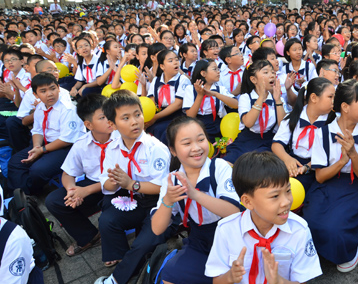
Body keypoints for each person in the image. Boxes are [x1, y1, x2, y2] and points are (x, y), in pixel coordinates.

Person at [95, 90, 179, 284]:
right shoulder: (113, 147)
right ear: (112, 124)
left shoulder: (155, 147)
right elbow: (106, 183)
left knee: (144, 242)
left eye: (137, 114)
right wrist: (113, 181)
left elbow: (162, 187)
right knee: (107, 220)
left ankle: (117, 278)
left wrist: (130, 183)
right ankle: (129, 261)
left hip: (161, 204)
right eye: (125, 118)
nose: (134, 121)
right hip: (133, 200)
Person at [205, 151, 323, 283]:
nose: (286, 202)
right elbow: (217, 280)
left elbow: (302, 280)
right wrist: (230, 276)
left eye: (288, 191)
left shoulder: (299, 230)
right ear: (248, 202)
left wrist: (279, 281)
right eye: (275, 196)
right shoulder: (226, 230)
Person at [151, 116, 242, 284]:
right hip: (200, 243)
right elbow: (157, 229)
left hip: (233, 240)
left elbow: (234, 211)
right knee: (170, 276)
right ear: (173, 150)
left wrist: (196, 195)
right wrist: (168, 201)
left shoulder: (220, 167)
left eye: (201, 139)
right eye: (187, 143)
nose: (196, 148)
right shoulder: (172, 180)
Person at [304, 79, 358, 272]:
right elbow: (320, 177)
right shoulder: (323, 133)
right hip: (326, 185)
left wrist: (353, 154)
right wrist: (341, 162)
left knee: (335, 229)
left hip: (352, 185)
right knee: (312, 223)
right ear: (345, 107)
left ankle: (352, 245)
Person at [45, 94, 115, 258]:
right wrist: (72, 190)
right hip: (95, 185)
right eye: (103, 117)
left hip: (120, 185)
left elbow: (121, 178)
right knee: (54, 201)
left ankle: (116, 245)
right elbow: (68, 173)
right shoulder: (81, 144)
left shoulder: (122, 138)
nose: (110, 119)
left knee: (111, 214)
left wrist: (86, 191)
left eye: (111, 113)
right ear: (88, 124)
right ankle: (89, 236)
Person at [7, 73, 85, 195]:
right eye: (43, 91)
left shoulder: (68, 109)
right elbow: (37, 130)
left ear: (58, 88)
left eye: (53, 88)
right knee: (16, 162)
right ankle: (20, 196)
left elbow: (66, 139)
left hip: (68, 148)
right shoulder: (40, 108)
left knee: (38, 170)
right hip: (46, 144)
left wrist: (42, 150)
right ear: (35, 94)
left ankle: (31, 192)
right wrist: (36, 147)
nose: (50, 94)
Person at [272, 77, 336, 192]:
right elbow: (276, 144)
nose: (333, 101)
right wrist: (287, 159)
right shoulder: (293, 118)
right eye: (330, 97)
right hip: (293, 164)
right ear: (313, 98)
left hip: (319, 168)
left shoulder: (333, 123)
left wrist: (307, 167)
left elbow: (332, 153)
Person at [224, 60, 285, 164]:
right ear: (253, 79)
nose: (272, 76)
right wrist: (261, 98)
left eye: (272, 72)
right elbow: (248, 123)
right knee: (227, 163)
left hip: (268, 141)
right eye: (266, 72)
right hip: (246, 140)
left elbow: (282, 126)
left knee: (260, 166)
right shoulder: (246, 98)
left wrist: (278, 100)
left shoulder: (277, 99)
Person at [183, 59, 238, 142]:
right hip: (198, 124)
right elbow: (190, 116)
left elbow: (236, 105)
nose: (218, 72)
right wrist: (200, 95)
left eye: (218, 69)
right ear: (203, 73)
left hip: (218, 123)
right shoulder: (190, 89)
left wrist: (215, 94)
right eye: (214, 69)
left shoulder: (220, 89)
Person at [146, 49, 190, 142]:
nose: (175, 63)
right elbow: (151, 102)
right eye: (170, 61)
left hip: (177, 116)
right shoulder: (156, 81)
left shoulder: (183, 80)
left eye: (176, 60)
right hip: (160, 114)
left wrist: (154, 118)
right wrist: (150, 118)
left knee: (162, 131)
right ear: (162, 66)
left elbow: (178, 104)